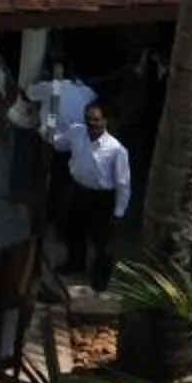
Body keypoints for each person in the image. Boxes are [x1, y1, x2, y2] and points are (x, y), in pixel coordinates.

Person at [51, 103, 134, 290]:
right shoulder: (76, 132)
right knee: (73, 231)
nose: (91, 123)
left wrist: (119, 212)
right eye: (88, 119)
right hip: (77, 190)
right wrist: (50, 117)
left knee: (102, 241)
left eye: (96, 119)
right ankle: (75, 263)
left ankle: (100, 278)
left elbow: (123, 184)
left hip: (102, 199)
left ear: (105, 121)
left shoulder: (116, 149)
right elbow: (57, 143)